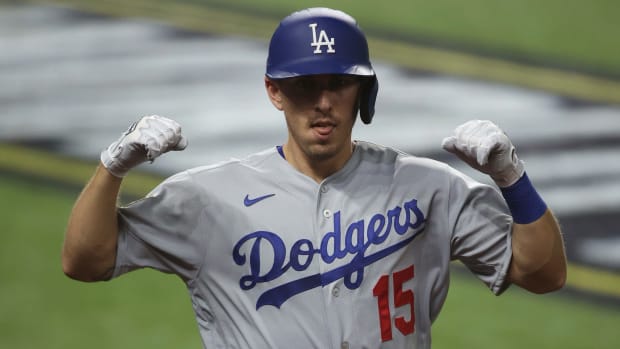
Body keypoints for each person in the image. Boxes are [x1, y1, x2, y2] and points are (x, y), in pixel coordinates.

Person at [62, 7, 567, 349]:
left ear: (362, 91)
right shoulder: (207, 198)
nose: (322, 103)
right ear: (275, 92)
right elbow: (84, 262)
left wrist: (510, 178)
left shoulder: (430, 188)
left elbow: (544, 275)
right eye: (304, 86)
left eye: (338, 84)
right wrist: (112, 168)